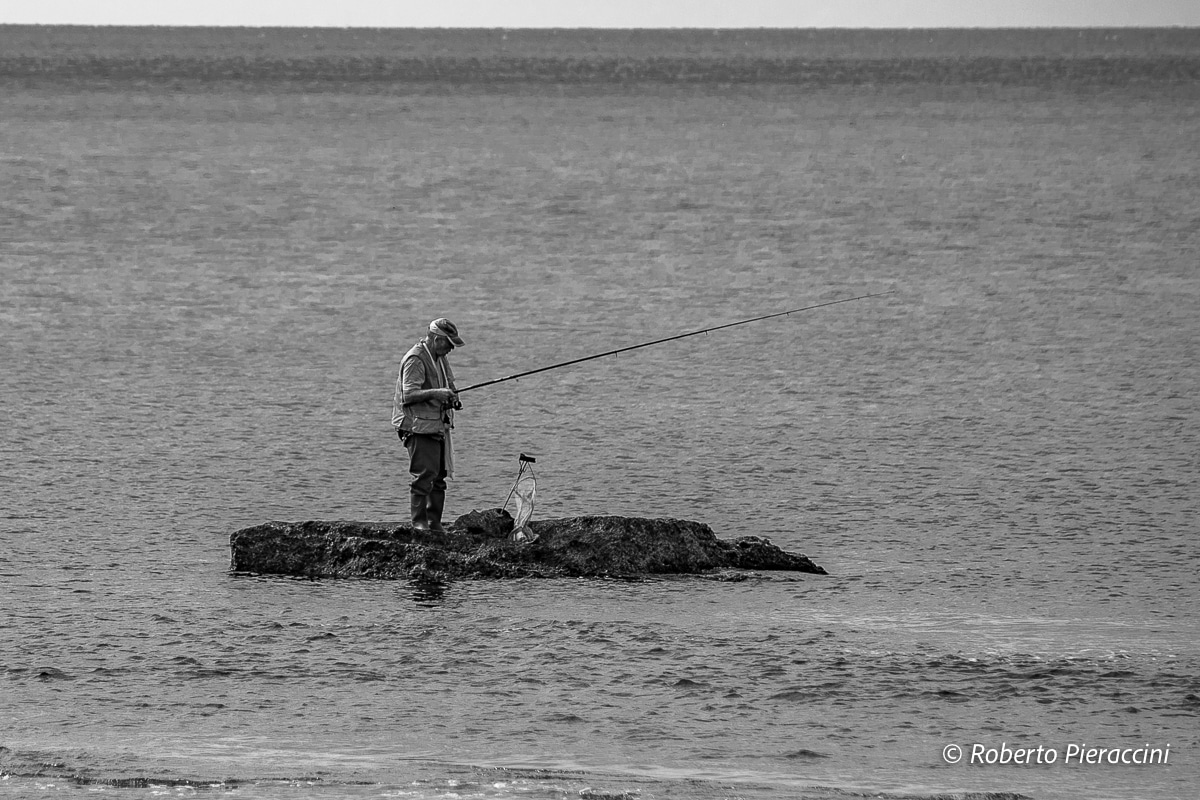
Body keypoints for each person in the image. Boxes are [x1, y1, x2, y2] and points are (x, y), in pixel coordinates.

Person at [392, 318, 464, 532]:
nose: (451, 348)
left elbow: (449, 384)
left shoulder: (440, 357)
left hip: (437, 425)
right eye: (448, 343)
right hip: (417, 427)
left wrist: (453, 397)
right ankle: (419, 523)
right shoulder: (416, 359)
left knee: (439, 476)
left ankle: (435, 522)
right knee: (424, 475)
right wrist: (437, 393)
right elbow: (409, 395)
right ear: (435, 339)